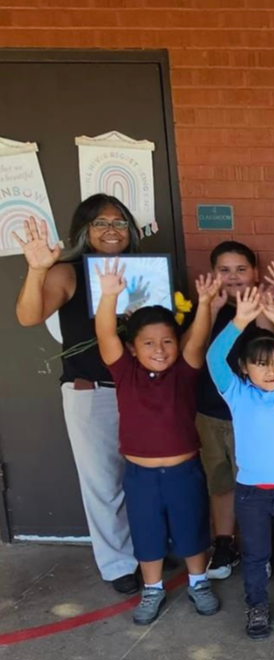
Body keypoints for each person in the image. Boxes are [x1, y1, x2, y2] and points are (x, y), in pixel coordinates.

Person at [14, 197, 143, 594]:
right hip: (93, 393)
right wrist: (38, 271)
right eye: (100, 222)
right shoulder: (67, 272)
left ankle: (146, 550)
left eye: (119, 222)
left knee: (144, 477)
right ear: (84, 230)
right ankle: (118, 564)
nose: (110, 229)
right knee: (103, 484)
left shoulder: (145, 270)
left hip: (141, 391)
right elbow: (28, 315)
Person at [94, 259, 222, 624]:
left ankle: (198, 582)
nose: (160, 349)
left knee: (192, 526)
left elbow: (198, 338)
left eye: (168, 341)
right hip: (141, 475)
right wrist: (108, 296)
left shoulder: (184, 371)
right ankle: (152, 588)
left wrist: (206, 304)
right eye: (149, 343)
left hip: (185, 471)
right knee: (146, 532)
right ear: (132, 348)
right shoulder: (124, 373)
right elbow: (106, 335)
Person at [207, 286, 274, 640]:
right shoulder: (236, 393)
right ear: (243, 367)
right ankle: (256, 606)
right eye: (260, 363)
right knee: (255, 556)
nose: (271, 370)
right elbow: (213, 358)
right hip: (251, 493)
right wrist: (239, 321)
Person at [193, 240, 274, 581]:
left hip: (254, 418)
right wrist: (210, 309)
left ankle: (263, 550)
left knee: (258, 485)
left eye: (241, 269)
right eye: (224, 270)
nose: (233, 277)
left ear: (255, 273)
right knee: (220, 484)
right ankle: (225, 545)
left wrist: (263, 310)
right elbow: (193, 350)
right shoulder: (208, 305)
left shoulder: (265, 305)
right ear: (213, 274)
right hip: (212, 412)